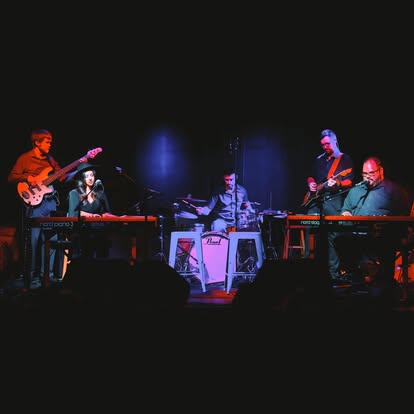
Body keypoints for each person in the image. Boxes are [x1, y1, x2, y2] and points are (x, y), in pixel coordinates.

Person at [334, 156, 412, 298]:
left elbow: (405, 217)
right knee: (340, 240)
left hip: (383, 234)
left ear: (380, 171)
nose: (367, 177)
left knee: (386, 241)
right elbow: (345, 209)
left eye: (371, 173)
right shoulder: (356, 190)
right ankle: (358, 281)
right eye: (364, 174)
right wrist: (345, 213)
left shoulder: (395, 191)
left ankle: (384, 283)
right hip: (357, 232)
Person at [7, 129, 70, 290]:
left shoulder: (51, 160)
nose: (50, 145)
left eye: (50, 142)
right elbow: (12, 177)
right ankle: (33, 276)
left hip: (50, 202)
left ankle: (47, 276)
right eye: (47, 142)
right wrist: (27, 178)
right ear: (37, 142)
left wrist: (80, 165)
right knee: (34, 240)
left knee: (50, 238)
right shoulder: (25, 158)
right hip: (34, 204)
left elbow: (62, 177)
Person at [302, 128, 355, 282]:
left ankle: (333, 274)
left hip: (334, 200)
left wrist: (338, 183)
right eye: (323, 144)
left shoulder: (345, 159)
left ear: (335, 141)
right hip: (316, 202)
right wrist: (311, 183)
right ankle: (308, 270)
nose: (325, 147)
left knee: (333, 235)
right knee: (309, 227)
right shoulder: (318, 159)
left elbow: (350, 181)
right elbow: (310, 176)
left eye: (327, 144)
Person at [67, 162, 119, 259]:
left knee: (101, 258)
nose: (90, 178)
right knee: (85, 258)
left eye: (92, 175)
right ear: (82, 178)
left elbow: (106, 213)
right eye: (87, 176)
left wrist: (118, 218)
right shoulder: (74, 193)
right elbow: (73, 214)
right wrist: (91, 216)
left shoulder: (100, 193)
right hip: (82, 233)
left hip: (99, 232)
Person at [195, 169, 255, 233]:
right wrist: (202, 210)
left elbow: (247, 205)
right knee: (217, 225)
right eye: (226, 180)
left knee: (247, 227)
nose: (229, 182)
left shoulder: (242, 190)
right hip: (222, 220)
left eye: (231, 180)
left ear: (236, 178)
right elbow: (208, 209)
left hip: (237, 221)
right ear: (224, 179)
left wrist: (252, 213)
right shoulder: (218, 192)